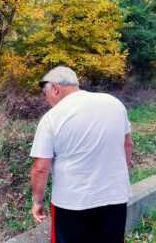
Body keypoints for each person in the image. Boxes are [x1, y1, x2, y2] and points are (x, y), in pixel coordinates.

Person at [29, 66, 134, 243]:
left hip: (72, 203)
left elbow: (40, 168)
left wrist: (37, 202)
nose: (46, 100)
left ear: (55, 88)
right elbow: (128, 145)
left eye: (45, 94)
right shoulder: (114, 103)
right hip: (114, 197)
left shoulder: (52, 118)